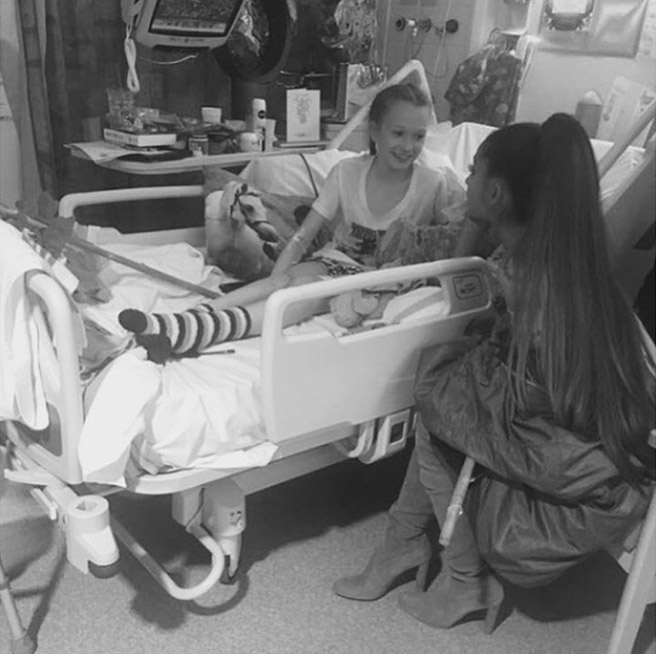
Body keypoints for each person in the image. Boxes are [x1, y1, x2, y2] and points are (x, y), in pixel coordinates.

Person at [332, 113, 656, 633]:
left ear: (498, 193)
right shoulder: (540, 253)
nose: (466, 181)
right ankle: (401, 546)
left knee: (437, 406)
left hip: (584, 462)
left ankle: (460, 576)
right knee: (442, 391)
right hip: (576, 429)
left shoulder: (535, 280)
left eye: (474, 172)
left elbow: (533, 396)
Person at [118, 82, 463, 361]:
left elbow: (455, 236)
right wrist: (278, 274)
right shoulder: (346, 173)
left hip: (381, 279)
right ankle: (181, 319)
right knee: (283, 282)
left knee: (302, 295)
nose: (408, 146)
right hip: (338, 261)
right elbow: (302, 236)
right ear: (374, 130)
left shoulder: (433, 184)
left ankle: (195, 333)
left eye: (419, 136)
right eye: (398, 133)